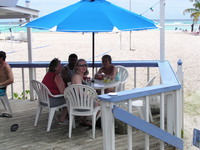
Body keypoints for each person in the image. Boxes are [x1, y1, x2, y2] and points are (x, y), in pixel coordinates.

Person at [42, 58, 68, 124]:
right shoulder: (56, 76)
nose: (61, 67)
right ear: (55, 68)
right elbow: (63, 92)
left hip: (44, 99)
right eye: (60, 66)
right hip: (51, 101)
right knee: (70, 99)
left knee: (65, 97)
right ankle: (62, 118)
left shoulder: (48, 74)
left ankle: (60, 116)